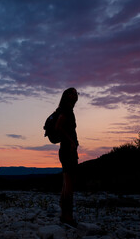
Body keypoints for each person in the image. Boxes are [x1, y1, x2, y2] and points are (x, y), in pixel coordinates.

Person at [55, 87, 79, 228]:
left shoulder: (68, 109)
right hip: (67, 150)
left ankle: (65, 215)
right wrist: (71, 142)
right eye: (73, 93)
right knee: (69, 184)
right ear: (67, 96)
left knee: (66, 183)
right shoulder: (66, 110)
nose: (76, 95)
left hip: (66, 150)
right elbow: (58, 127)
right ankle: (68, 216)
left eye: (77, 93)